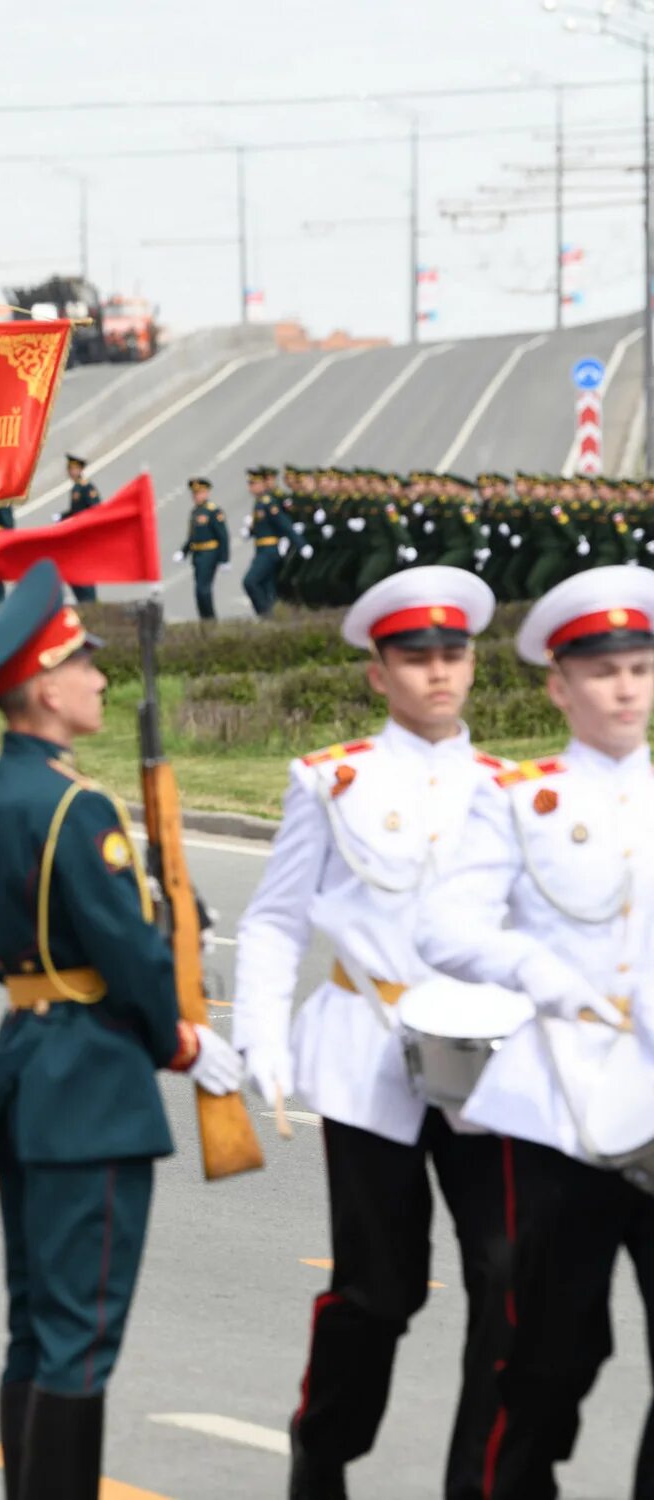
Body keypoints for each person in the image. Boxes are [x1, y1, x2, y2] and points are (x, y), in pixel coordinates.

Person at [0, 559, 244, 1499]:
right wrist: (185, 1040)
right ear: (42, 686)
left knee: (34, 1325)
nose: (103, 681)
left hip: (27, 1060)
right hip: (92, 1085)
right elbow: (129, 955)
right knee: (81, 1336)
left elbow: (6, 951)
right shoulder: (77, 807)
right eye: (84, 665)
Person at [232, 567, 514, 1500]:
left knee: (509, 1288)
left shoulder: (518, 792)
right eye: (415, 657)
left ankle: (480, 1482)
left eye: (453, 655)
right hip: (369, 1054)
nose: (439, 673)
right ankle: (325, 1449)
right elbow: (277, 920)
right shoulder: (331, 782)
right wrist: (262, 1039)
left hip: (493, 1065)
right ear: (377, 673)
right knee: (379, 1291)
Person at [417, 565, 654, 1500]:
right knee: (549, 1357)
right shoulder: (518, 800)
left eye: (641, 666)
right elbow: (447, 927)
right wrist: (544, 974)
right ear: (561, 686)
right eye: (604, 672)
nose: (627, 687)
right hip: (562, 1113)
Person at [179, 477, 229, 621]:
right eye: (194, 494)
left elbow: (223, 536)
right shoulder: (195, 512)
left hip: (209, 554)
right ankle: (205, 619)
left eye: (199, 493)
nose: (196, 496)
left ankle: (210, 619)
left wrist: (225, 559)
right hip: (198, 555)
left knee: (203, 589)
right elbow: (193, 536)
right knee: (199, 591)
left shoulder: (213, 511)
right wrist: (184, 551)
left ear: (206, 493)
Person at [241, 465, 285, 617]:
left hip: (270, 550)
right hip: (261, 549)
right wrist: (250, 530)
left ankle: (265, 615)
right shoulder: (259, 502)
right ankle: (271, 618)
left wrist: (300, 544)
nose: (250, 488)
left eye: (253, 484)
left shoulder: (268, 502)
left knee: (250, 581)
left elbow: (284, 524)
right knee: (268, 587)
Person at [61, 455, 102, 604]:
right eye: (69, 469)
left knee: (84, 574)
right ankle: (86, 602)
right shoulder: (76, 488)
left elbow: (95, 510)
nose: (71, 472)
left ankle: (90, 603)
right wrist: (63, 516)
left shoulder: (87, 487)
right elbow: (75, 511)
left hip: (85, 538)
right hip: (76, 537)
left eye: (73, 469)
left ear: (80, 470)